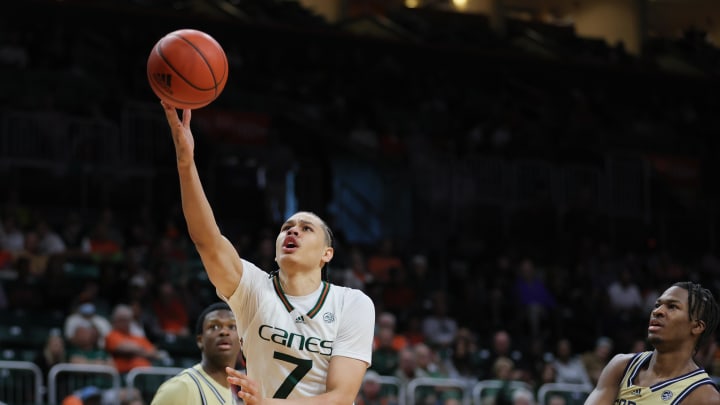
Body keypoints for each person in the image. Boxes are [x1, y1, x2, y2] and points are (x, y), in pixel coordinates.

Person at [161, 101, 376, 403]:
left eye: (306, 228)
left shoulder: (352, 304)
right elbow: (207, 240)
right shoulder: (254, 290)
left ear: (326, 254)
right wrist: (186, 162)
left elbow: (340, 397)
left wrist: (268, 404)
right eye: (287, 227)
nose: (292, 231)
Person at [584, 281, 720, 404]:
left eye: (672, 306)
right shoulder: (621, 366)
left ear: (697, 327)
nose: (657, 311)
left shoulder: (705, 397)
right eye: (657, 305)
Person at [151, 302, 243, 405]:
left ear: (241, 340)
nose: (224, 332)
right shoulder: (182, 388)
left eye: (232, 327)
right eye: (214, 327)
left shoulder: (233, 395)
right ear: (200, 340)